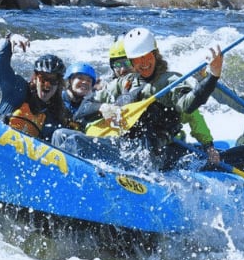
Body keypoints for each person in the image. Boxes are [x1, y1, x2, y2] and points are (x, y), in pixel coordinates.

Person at [54, 27, 223, 171]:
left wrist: (213, 77)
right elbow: (83, 109)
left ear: (155, 55)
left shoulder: (170, 81)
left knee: (75, 142)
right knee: (60, 135)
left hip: (149, 155)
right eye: (137, 59)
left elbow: (188, 105)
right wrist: (102, 108)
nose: (143, 63)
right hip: (123, 145)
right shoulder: (125, 82)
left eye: (146, 56)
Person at [0, 33, 68, 141]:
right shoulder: (17, 89)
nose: (47, 84)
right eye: (43, 79)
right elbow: (1, 64)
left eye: (53, 81)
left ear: (59, 84)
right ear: (35, 78)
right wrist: (10, 39)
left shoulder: (56, 112)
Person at [62, 62, 97, 129]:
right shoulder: (57, 99)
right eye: (80, 78)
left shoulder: (90, 103)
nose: (85, 82)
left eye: (89, 80)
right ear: (70, 81)